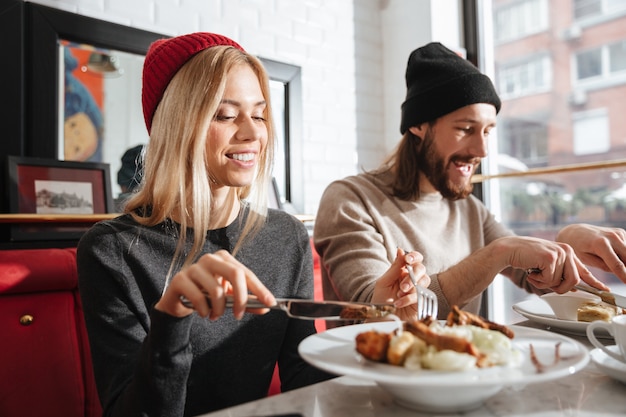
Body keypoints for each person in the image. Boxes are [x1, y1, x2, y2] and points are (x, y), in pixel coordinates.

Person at [78, 32, 351, 416]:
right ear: (175, 125)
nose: (254, 132)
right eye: (225, 115)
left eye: (259, 114)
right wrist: (171, 317)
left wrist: (373, 324)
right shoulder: (112, 250)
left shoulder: (285, 236)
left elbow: (306, 386)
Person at [314, 41, 626, 321]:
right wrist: (495, 255)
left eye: (488, 130)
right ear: (419, 126)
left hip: (461, 375)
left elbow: (534, 274)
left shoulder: (470, 210)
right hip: (367, 381)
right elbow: (374, 312)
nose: (482, 150)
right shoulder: (350, 200)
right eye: (465, 128)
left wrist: (567, 242)